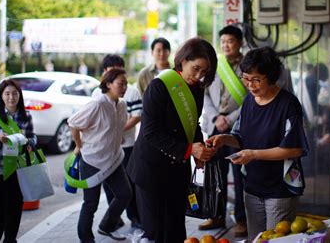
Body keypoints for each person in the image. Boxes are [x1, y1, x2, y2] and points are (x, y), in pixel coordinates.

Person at [207, 46, 309, 242]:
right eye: (246, 78)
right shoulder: (249, 102)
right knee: (255, 238)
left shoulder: (288, 104)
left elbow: (294, 148)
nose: (250, 85)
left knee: (275, 239)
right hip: (252, 187)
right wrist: (224, 139)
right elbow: (240, 137)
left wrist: (253, 155)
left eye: (256, 79)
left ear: (270, 77)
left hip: (280, 189)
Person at [127, 38, 218, 243]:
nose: (198, 76)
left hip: (177, 169)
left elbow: (192, 124)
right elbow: (150, 132)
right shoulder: (159, 86)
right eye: (195, 69)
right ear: (183, 60)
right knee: (156, 232)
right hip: (151, 170)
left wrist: (200, 149)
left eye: (204, 72)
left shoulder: (197, 88)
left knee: (176, 230)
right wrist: (189, 150)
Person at [68, 68, 133, 243]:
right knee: (91, 204)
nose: (124, 87)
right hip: (92, 161)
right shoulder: (97, 104)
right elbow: (73, 123)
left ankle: (106, 226)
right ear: (108, 84)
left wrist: (117, 140)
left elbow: (117, 127)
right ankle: (86, 238)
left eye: (126, 84)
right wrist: (79, 145)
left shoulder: (122, 105)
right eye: (121, 83)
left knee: (125, 194)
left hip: (114, 160)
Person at [199, 25, 247, 237]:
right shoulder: (214, 66)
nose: (226, 45)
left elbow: (251, 99)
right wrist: (215, 117)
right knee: (215, 174)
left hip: (237, 129)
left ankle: (241, 219)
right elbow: (205, 95)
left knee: (239, 175)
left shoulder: (248, 65)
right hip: (214, 127)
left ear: (239, 43)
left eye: (230, 41)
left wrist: (229, 119)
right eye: (223, 41)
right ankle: (216, 214)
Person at [92, 54, 142, 229]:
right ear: (105, 73)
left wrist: (119, 130)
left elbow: (137, 115)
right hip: (105, 149)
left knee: (129, 183)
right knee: (109, 186)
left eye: (119, 68)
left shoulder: (132, 91)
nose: (116, 73)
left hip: (126, 145)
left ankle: (134, 216)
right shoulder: (96, 93)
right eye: (112, 69)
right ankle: (114, 218)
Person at [0, 79, 37, 243]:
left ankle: (10, 239)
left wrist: (30, 143)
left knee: (15, 207)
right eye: (7, 94)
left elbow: (32, 137)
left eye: (15, 93)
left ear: (19, 96)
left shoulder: (26, 115)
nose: (11, 97)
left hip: (18, 170)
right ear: (1, 96)